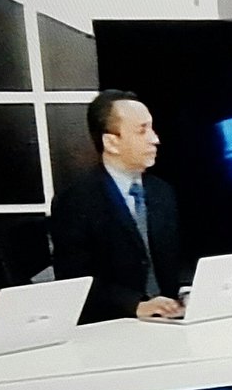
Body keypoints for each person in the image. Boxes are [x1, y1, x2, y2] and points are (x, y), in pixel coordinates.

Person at [51, 89, 184, 323]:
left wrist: (185, 292)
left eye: (152, 129)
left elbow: (176, 263)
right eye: (142, 130)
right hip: (113, 323)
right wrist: (135, 305)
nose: (155, 139)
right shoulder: (76, 201)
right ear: (111, 142)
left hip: (169, 318)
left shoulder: (162, 192)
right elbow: (74, 280)